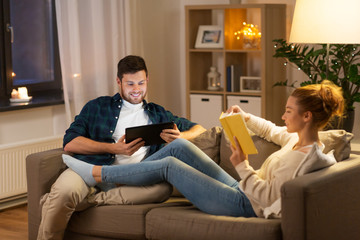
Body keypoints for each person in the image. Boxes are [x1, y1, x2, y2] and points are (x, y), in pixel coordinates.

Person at [64, 80, 344, 218]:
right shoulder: (302, 141)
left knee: (171, 167)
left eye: (288, 111)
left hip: (245, 205)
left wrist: (242, 164)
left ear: (306, 117)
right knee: (180, 147)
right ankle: (104, 173)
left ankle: (98, 174)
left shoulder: (302, 160)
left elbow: (266, 198)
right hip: (240, 190)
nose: (283, 116)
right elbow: (272, 131)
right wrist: (244, 118)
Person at [38, 55, 206, 240]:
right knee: (64, 192)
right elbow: (70, 143)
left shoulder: (158, 114)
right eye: (130, 84)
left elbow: (199, 129)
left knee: (163, 189)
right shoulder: (97, 107)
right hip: (88, 169)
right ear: (119, 81)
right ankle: (65, 200)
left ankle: (88, 200)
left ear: (147, 80)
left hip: (131, 179)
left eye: (141, 83)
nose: (136, 90)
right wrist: (113, 149)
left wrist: (181, 136)